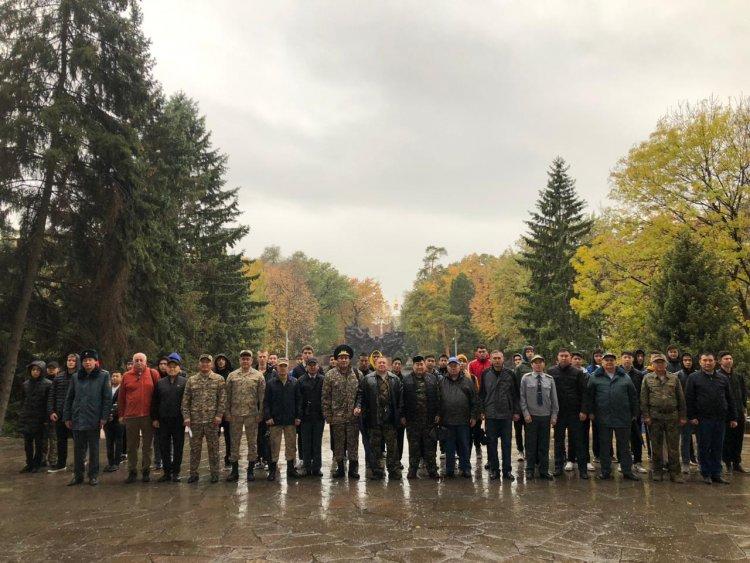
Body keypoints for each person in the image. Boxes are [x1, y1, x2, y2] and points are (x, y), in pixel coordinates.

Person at [582, 351, 640, 481]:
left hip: (623, 416)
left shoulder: (624, 376)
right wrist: (590, 412)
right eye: (606, 360)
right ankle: (605, 471)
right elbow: (589, 396)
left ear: (615, 362)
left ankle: (627, 471)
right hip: (603, 417)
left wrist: (634, 413)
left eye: (611, 360)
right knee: (604, 446)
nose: (609, 362)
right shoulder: (595, 377)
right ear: (602, 362)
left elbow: (633, 396)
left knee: (624, 446)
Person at [686, 352, 739, 484]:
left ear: (715, 362)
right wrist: (691, 416)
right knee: (704, 446)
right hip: (703, 419)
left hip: (720, 419)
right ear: (700, 362)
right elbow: (689, 398)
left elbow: (730, 398)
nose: (707, 363)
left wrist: (733, 417)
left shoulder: (722, 378)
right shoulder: (693, 378)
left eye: (710, 360)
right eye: (705, 360)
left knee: (717, 446)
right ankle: (706, 473)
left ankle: (716, 473)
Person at [63, 349, 112, 486]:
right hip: (78, 417)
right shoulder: (76, 376)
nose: (87, 362)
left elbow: (107, 398)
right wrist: (67, 417)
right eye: (85, 360)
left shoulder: (103, 375)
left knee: (94, 449)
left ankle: (93, 475)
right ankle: (78, 475)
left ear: (96, 361)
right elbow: (69, 398)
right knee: (78, 449)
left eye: (90, 360)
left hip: (94, 418)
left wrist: (104, 417)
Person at [354, 356, 403, 480]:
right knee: (375, 447)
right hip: (374, 418)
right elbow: (360, 395)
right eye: (379, 362)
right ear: (375, 365)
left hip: (390, 420)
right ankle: (377, 471)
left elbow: (400, 399)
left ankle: (393, 470)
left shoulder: (395, 379)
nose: (381, 364)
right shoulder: (367, 379)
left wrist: (400, 415)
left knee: (392, 447)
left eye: (384, 363)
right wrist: (358, 406)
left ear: (388, 365)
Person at [641, 353, 687, 483]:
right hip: (655, 417)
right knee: (656, 446)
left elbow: (681, 398)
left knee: (673, 447)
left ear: (666, 364)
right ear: (653, 364)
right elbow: (643, 399)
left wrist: (683, 416)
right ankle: (657, 471)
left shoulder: (674, 378)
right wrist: (646, 416)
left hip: (672, 416)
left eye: (662, 362)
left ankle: (675, 473)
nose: (659, 364)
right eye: (657, 362)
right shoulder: (647, 378)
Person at [182, 354, 226, 484]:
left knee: (214, 449)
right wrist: (186, 417)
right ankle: (193, 474)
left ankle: (215, 474)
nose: (205, 364)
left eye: (207, 362)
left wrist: (219, 415)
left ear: (211, 364)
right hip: (195, 421)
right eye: (203, 362)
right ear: (199, 364)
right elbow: (185, 401)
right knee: (194, 449)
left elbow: (222, 399)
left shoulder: (219, 379)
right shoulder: (192, 380)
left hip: (212, 421)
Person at [225, 350, 265, 482]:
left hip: (252, 415)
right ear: (239, 360)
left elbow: (262, 397)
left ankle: (250, 470)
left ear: (252, 360)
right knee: (234, 443)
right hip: (235, 415)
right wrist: (227, 413)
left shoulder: (258, 376)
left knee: (252, 443)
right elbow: (227, 396)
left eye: (248, 359)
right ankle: (234, 471)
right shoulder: (232, 376)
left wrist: (261, 413)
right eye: (243, 359)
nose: (245, 361)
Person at [119, 352, 159, 484]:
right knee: (131, 446)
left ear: (146, 362)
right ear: (133, 362)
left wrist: (157, 416)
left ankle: (146, 470)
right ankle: (132, 471)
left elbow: (158, 395)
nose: (139, 362)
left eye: (141, 360)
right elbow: (121, 397)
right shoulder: (126, 376)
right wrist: (121, 414)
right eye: (136, 360)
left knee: (147, 446)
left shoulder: (153, 374)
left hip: (148, 416)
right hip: (131, 416)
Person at [480, 350, 520, 481]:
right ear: (491, 360)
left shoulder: (510, 374)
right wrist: (482, 411)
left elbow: (515, 395)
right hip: (491, 414)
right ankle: (494, 470)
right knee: (491, 444)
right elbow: (482, 394)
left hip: (506, 414)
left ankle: (507, 471)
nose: (497, 360)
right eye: (494, 358)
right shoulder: (485, 374)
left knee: (506, 444)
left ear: (503, 359)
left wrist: (516, 411)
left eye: (499, 358)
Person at [548, 349, 589, 479]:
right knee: (558, 441)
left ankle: (583, 470)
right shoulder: (551, 372)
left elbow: (584, 393)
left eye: (566, 356)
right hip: (559, 413)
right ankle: (558, 467)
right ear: (558, 357)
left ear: (570, 358)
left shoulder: (578, 373)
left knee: (579, 441)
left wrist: (584, 410)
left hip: (575, 413)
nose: (564, 358)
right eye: (562, 356)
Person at [322, 345, 361, 479]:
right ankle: (340, 468)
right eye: (341, 358)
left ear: (349, 359)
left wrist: (358, 406)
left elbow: (361, 393)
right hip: (337, 417)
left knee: (353, 443)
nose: (344, 360)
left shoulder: (357, 374)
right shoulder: (330, 375)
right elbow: (325, 396)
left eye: (346, 358)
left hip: (353, 417)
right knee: (338, 444)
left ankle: (353, 469)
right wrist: (327, 415)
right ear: (337, 359)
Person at [401, 355, 441, 479]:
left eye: (421, 364)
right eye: (417, 364)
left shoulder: (432, 379)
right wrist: (402, 415)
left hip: (429, 420)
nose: (419, 366)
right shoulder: (406, 380)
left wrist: (438, 413)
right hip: (412, 421)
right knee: (414, 447)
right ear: (413, 366)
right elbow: (401, 400)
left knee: (430, 447)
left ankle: (432, 470)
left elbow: (439, 398)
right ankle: (412, 470)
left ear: (424, 365)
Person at [519, 355, 558, 480]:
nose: (538, 364)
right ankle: (530, 470)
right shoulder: (526, 378)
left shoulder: (549, 379)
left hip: (545, 416)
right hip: (531, 417)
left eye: (540, 362)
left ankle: (543, 470)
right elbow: (522, 398)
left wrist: (554, 415)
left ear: (544, 364)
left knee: (544, 445)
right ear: (531, 365)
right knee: (530, 444)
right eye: (535, 363)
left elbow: (554, 398)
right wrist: (525, 414)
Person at [439, 357, 478, 478]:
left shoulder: (468, 381)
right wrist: (438, 416)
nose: (453, 368)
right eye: (451, 366)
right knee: (449, 448)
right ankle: (449, 470)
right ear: (447, 367)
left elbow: (474, 400)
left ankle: (465, 468)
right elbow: (438, 400)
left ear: (459, 366)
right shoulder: (441, 381)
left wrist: (473, 416)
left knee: (464, 446)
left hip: (463, 420)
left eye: (455, 365)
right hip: (447, 421)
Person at [151, 353, 187, 482]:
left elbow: (187, 402)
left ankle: (176, 472)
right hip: (163, 420)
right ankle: (167, 472)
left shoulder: (184, 382)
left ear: (179, 368)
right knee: (164, 446)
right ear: (166, 368)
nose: (172, 369)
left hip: (178, 420)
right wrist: (155, 418)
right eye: (169, 366)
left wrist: (187, 418)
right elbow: (155, 402)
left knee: (178, 447)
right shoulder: (160, 383)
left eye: (174, 367)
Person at [264, 358, 300, 481]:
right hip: (275, 420)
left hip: (290, 419)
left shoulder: (294, 382)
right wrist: (268, 417)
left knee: (291, 445)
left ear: (288, 367)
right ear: (277, 368)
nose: (283, 368)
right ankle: (272, 470)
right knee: (274, 445)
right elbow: (266, 402)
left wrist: (298, 416)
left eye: (285, 366)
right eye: (280, 366)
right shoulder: (270, 383)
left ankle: (291, 469)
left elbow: (299, 401)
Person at [47, 353, 79, 473]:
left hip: (75, 414)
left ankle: (79, 463)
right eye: (69, 360)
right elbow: (52, 396)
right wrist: (51, 411)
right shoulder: (58, 377)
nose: (70, 362)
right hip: (60, 414)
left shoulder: (80, 377)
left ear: (77, 362)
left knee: (78, 441)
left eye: (73, 360)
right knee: (61, 440)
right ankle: (61, 464)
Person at [19, 360, 51, 473]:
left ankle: (37, 463)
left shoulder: (48, 384)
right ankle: (29, 463)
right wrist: (23, 415)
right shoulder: (25, 384)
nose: (35, 372)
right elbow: (23, 401)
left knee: (39, 443)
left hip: (40, 418)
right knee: (27, 443)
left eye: (38, 370)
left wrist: (47, 419)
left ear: (42, 371)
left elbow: (49, 402)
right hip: (27, 417)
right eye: (33, 370)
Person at [718, 351, 747, 474]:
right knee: (727, 439)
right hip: (725, 413)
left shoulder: (738, 376)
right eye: (726, 358)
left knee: (738, 438)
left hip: (739, 411)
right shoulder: (718, 376)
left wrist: (744, 408)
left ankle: (736, 462)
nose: (729, 360)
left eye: (730, 358)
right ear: (720, 361)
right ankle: (727, 463)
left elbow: (743, 393)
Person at [297, 357, 325, 477]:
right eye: (310, 365)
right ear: (306, 367)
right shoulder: (301, 380)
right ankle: (307, 467)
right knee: (306, 443)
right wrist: (299, 415)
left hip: (318, 416)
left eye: (314, 365)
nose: (312, 367)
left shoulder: (323, 379)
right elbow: (298, 400)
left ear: (318, 366)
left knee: (317, 443)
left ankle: (317, 468)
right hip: (305, 417)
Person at [620, 351, 647, 474]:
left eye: (629, 357)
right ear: (621, 359)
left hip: (635, 412)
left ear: (632, 359)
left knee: (636, 437)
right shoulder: (617, 373)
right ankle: (623, 462)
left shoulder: (638, 374)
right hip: (620, 411)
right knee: (622, 438)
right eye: (625, 357)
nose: (627, 359)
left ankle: (637, 462)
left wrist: (637, 412)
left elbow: (641, 394)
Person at [513, 345, 534, 461]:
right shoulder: (520, 367)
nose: (530, 353)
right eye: (527, 351)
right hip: (519, 403)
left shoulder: (536, 365)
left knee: (529, 430)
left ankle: (529, 450)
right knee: (518, 430)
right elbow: (515, 387)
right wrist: (516, 407)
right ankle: (520, 450)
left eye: (531, 351)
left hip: (531, 404)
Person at [676, 353, 697, 472]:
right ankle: (685, 462)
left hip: (699, 412)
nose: (688, 362)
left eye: (690, 360)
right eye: (685, 360)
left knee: (701, 439)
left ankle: (700, 461)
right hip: (684, 412)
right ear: (682, 362)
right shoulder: (678, 375)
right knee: (685, 439)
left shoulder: (698, 374)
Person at [213, 353, 234, 468]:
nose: (221, 361)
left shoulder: (230, 375)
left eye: (223, 360)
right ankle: (215, 458)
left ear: (226, 362)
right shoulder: (212, 375)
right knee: (214, 437)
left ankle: (228, 457)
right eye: (219, 360)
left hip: (228, 410)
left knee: (229, 436)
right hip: (215, 411)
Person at [103, 371, 124, 472]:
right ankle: (110, 462)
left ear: (121, 378)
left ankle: (116, 462)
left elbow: (122, 404)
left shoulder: (122, 389)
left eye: (117, 376)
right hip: (107, 420)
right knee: (109, 442)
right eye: (113, 376)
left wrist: (114, 414)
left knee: (118, 441)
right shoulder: (107, 389)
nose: (114, 378)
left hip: (118, 419)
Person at [42, 361, 59, 468]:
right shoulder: (42, 381)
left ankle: (53, 460)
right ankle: (42, 459)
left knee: (54, 439)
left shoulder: (59, 381)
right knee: (43, 438)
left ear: (58, 369)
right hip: (43, 413)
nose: (51, 370)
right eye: (49, 368)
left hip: (55, 414)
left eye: (53, 368)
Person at [391, 357, 406, 468]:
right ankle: (391, 460)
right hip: (390, 414)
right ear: (392, 365)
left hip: (401, 414)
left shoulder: (405, 379)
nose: (397, 365)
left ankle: (398, 460)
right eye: (395, 363)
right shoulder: (387, 377)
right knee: (390, 439)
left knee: (400, 439)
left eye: (399, 364)